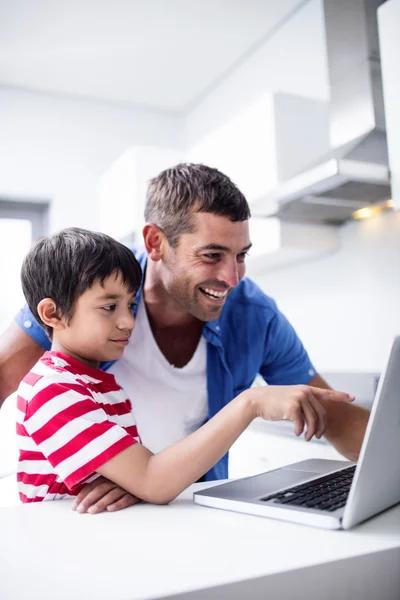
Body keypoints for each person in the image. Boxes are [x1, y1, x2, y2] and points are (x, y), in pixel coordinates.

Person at [0, 164, 369, 512]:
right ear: (155, 242)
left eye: (241, 255)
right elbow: (5, 375)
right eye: (212, 255)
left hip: (179, 507)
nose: (232, 277)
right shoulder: (90, 286)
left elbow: (331, 414)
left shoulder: (255, 315)